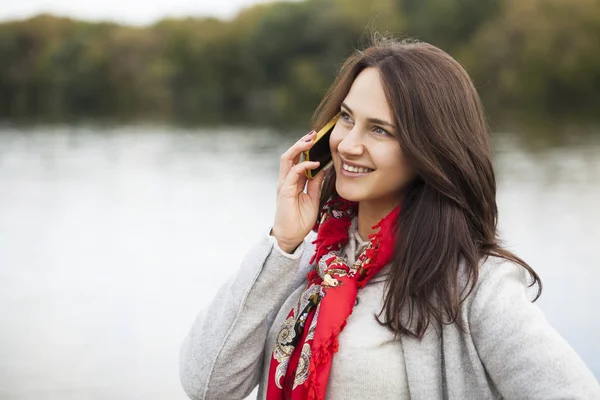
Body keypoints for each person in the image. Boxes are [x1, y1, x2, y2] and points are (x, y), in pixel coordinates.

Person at [179, 37, 600, 400]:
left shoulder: (475, 285)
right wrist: (282, 242)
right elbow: (208, 384)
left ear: (429, 150)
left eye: (380, 130)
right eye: (346, 118)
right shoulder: (309, 263)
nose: (348, 144)